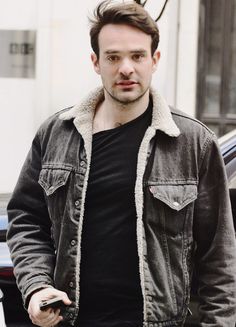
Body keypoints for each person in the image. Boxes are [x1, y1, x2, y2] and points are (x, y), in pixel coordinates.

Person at [6, 1, 236, 326]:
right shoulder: (56, 134)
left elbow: (219, 258)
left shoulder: (193, 142)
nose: (126, 68)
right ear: (95, 62)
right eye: (113, 57)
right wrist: (37, 287)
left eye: (137, 56)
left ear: (154, 60)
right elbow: (27, 219)